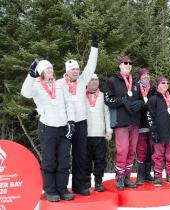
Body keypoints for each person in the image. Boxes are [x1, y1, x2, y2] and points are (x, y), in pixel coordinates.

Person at [21, 60, 75, 202]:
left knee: (64, 160)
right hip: (47, 128)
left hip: (63, 128)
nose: (50, 69)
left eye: (51, 67)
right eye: (47, 68)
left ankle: (62, 189)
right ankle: (50, 190)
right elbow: (25, 93)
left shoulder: (59, 85)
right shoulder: (36, 86)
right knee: (49, 161)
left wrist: (71, 122)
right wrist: (31, 75)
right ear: (41, 72)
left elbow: (68, 103)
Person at [58, 33, 99, 195]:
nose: (76, 71)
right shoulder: (59, 84)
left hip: (81, 123)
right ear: (67, 71)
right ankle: (61, 187)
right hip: (64, 123)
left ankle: (80, 186)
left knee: (81, 155)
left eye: (77, 68)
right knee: (63, 157)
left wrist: (94, 47)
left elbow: (91, 65)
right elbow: (47, 97)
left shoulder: (83, 80)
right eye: (72, 69)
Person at [104, 55, 144, 190]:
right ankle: (119, 177)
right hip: (121, 122)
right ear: (120, 65)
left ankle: (127, 176)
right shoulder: (112, 81)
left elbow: (142, 99)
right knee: (123, 150)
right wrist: (121, 101)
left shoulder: (137, 83)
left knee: (132, 151)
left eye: (130, 63)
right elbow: (107, 100)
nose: (128, 65)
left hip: (135, 121)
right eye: (125, 63)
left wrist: (139, 103)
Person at [146, 76, 170, 187]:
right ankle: (157, 177)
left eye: (167, 83)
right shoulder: (153, 99)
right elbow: (149, 116)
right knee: (158, 155)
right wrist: (153, 131)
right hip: (159, 133)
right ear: (157, 85)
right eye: (162, 83)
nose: (165, 85)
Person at [85, 73, 113, 192]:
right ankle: (86, 183)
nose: (95, 82)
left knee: (100, 160)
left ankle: (98, 182)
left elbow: (107, 114)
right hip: (84, 135)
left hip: (100, 134)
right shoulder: (80, 95)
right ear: (86, 82)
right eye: (92, 79)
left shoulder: (102, 96)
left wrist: (109, 130)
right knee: (85, 161)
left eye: (96, 79)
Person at [135, 68, 155, 185]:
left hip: (152, 124)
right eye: (144, 75)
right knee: (141, 150)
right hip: (140, 123)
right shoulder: (135, 88)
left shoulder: (153, 89)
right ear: (140, 77)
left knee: (150, 150)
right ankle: (140, 175)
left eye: (148, 75)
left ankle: (148, 174)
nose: (146, 77)